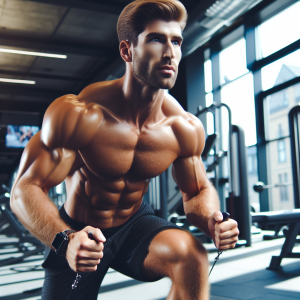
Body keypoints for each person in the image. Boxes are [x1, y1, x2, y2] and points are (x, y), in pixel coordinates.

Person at [11, 1, 239, 299]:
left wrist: (211, 218)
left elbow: (196, 192)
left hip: (136, 224)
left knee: (191, 257)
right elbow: (25, 189)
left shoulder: (183, 127)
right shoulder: (79, 114)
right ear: (126, 51)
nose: (170, 52)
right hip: (80, 229)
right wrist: (65, 240)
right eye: (156, 39)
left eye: (177, 41)